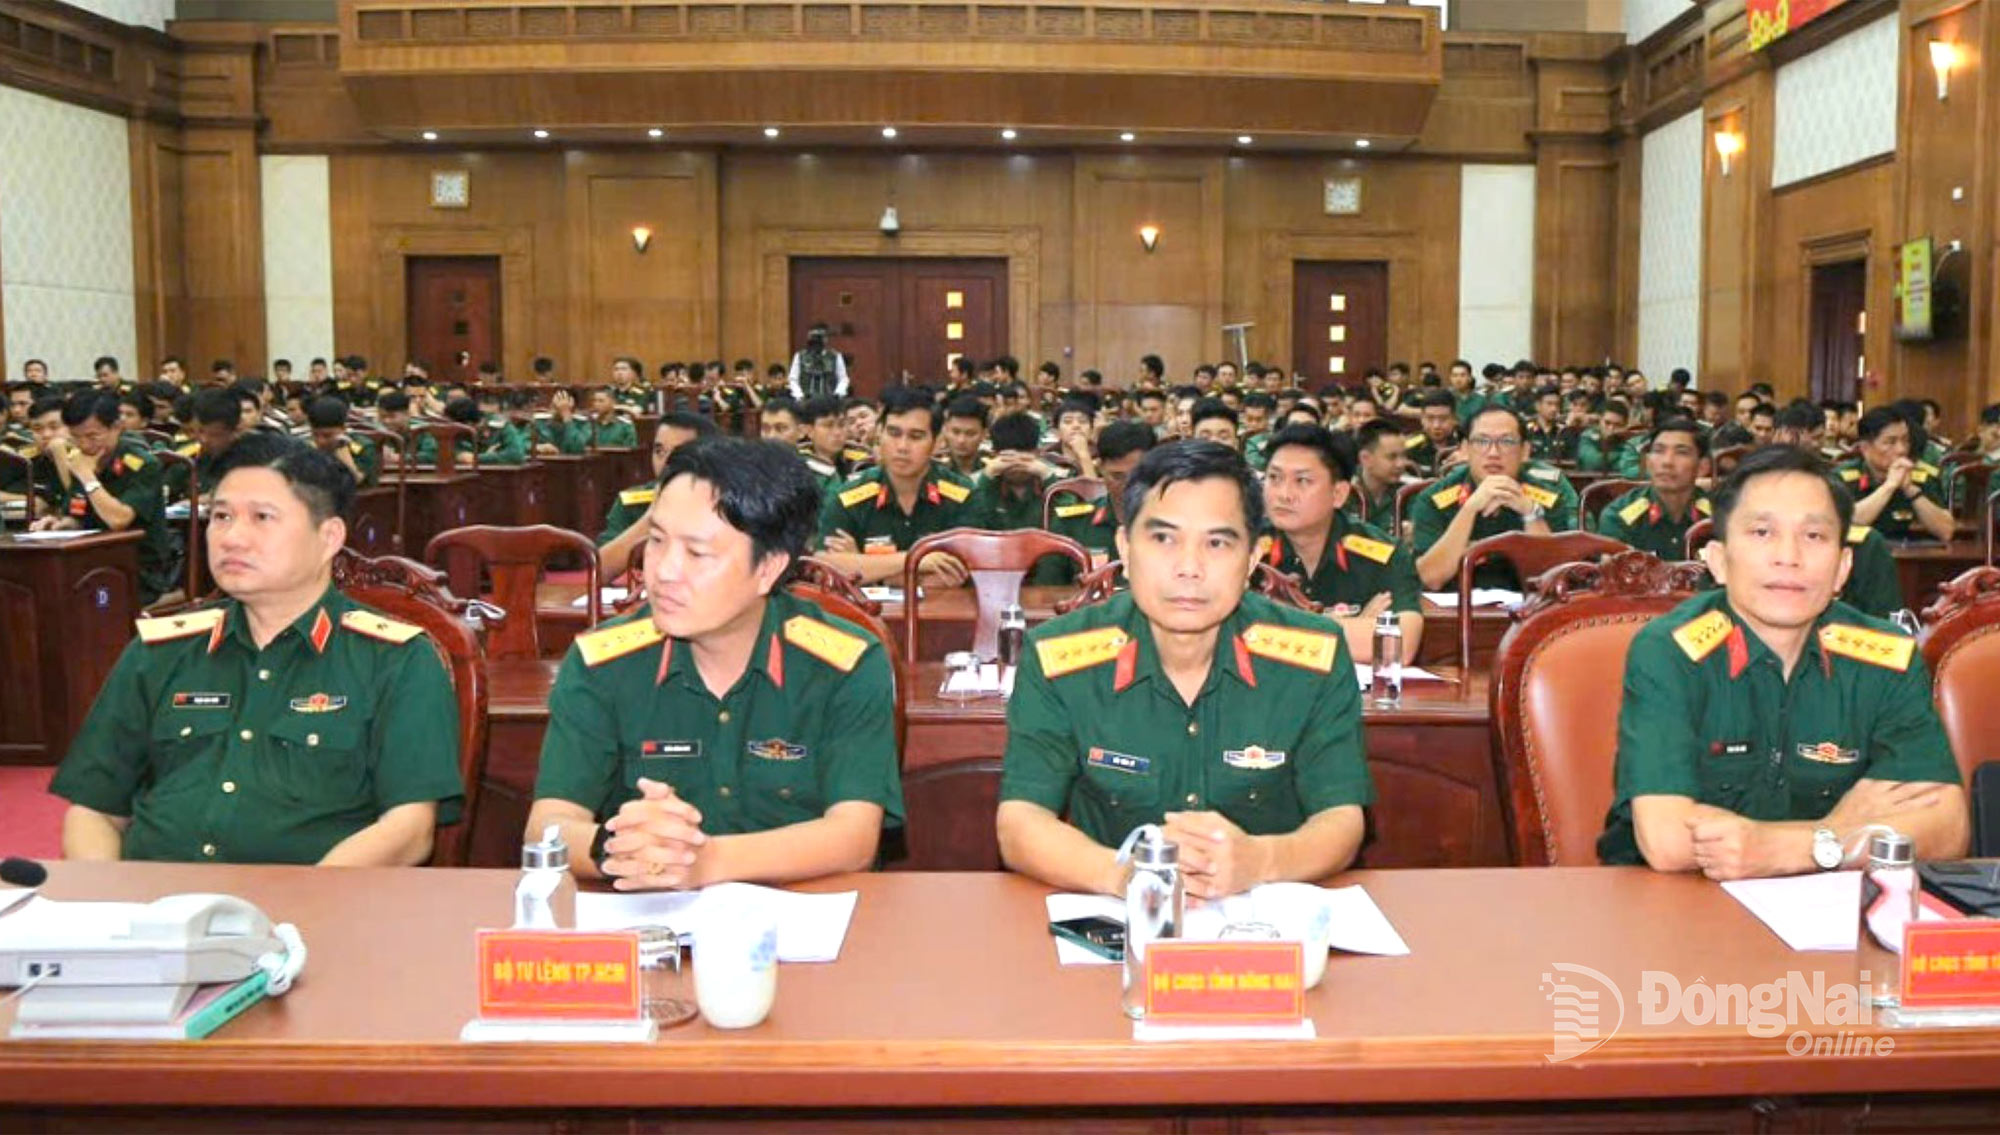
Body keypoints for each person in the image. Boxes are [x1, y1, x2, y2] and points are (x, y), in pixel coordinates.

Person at [50, 432, 465, 865]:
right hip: (155, 900)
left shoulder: (395, 658)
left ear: (328, 537)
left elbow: (409, 829)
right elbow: (94, 810)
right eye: (221, 516)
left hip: (316, 900)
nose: (232, 538)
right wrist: (108, 900)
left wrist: (302, 902)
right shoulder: (159, 651)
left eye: (262, 517)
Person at [995, 441, 1371, 899]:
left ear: (1253, 558)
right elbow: (1020, 821)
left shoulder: (1314, 657)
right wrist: (1127, 876)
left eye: (1217, 543)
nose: (1189, 568)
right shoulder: (1058, 657)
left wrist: (1261, 861)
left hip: (1263, 922)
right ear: (1124, 548)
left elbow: (1341, 819)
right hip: (1118, 920)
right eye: (1163, 539)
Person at [528, 437, 901, 889]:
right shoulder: (602, 662)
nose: (664, 571)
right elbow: (548, 825)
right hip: (645, 912)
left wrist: (705, 861)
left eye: (697, 553)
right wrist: (620, 848)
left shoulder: (845, 663)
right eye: (657, 541)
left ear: (769, 569)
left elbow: (854, 836)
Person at [1597, 446, 1967, 877]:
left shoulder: (1887, 656)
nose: (1788, 556)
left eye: (1814, 536)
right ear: (1718, 560)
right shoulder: (1671, 650)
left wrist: (1797, 847)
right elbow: (1667, 842)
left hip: (1833, 906)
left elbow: (1948, 829)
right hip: (1680, 898)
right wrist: (1845, 829)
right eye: (1762, 532)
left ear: (1843, 567)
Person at [1262, 425, 1423, 662]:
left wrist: (1272, 628)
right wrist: (1350, 626)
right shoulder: (1245, 549)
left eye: (1302, 481)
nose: (1284, 494)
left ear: (1338, 494)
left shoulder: (1383, 554)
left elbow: (1399, 645)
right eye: (1274, 478)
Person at [816, 386, 973, 586]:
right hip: (864, 608)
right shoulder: (848, 498)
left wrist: (864, 567)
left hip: (941, 607)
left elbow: (958, 576)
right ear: (879, 434)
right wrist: (916, 561)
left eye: (915, 436)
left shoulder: (963, 496)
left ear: (937, 443)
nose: (902, 447)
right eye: (893, 433)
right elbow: (824, 571)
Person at [1410, 405, 1579, 590]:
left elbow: (1553, 580)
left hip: (1526, 604)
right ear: (1465, 449)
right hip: (1454, 604)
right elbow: (1431, 578)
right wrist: (1469, 509)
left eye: (1506, 441)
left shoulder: (1548, 499)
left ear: (1525, 451)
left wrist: (1531, 514)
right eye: (1482, 441)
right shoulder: (1433, 499)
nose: (1493, 453)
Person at [31, 392, 175, 604]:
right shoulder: (82, 459)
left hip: (137, 568)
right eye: (76, 437)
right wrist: (60, 524)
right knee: (43, 587)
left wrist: (88, 477)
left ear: (116, 427)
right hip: (91, 560)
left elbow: (119, 520)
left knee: (84, 600)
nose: (84, 445)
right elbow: (78, 514)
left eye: (92, 436)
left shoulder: (141, 463)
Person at [598, 412, 720, 577]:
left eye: (678, 454)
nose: (665, 462)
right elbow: (598, 572)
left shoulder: (727, 502)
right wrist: (651, 518)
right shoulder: (632, 502)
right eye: (659, 451)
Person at [1040, 420, 1156, 583]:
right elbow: (1048, 588)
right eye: (1117, 477)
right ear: (1100, 468)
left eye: (1138, 476)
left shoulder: (1177, 524)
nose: (1128, 486)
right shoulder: (1072, 524)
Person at [1594, 419, 1711, 559]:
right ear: (1648, 463)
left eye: (1681, 452)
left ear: (1702, 467)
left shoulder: (1720, 516)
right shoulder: (1619, 517)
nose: (1667, 462)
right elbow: (1613, 571)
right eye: (1659, 451)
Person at [1836, 407, 1952, 543]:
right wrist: (1889, 486)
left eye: (1905, 440)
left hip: (1910, 552)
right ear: (1865, 448)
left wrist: (1911, 490)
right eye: (1890, 442)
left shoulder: (1922, 477)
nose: (1901, 450)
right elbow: (1845, 524)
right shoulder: (1844, 477)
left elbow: (1946, 531)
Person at [965, 412, 1062, 531]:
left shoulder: (1053, 479)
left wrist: (1048, 476)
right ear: (995, 455)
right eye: (1008, 458)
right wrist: (987, 476)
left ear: (1037, 453)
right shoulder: (978, 482)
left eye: (1023, 458)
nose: (1017, 465)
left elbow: (1070, 523)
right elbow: (969, 522)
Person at [1343, 418, 1407, 527]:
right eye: (1392, 457)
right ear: (1365, 458)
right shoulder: (1343, 494)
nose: (1401, 464)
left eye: (1404, 456)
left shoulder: (1408, 494)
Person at [306, 396, 380, 489]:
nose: (320, 441)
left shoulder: (363, 447)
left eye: (327, 436)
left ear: (343, 429)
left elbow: (356, 480)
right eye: (315, 435)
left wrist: (343, 453)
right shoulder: (306, 446)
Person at [1404, 389, 1460, 477]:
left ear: (1454, 419)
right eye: (1430, 418)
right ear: (1422, 419)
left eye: (1443, 419)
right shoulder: (1409, 447)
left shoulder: (1464, 446)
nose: (1436, 425)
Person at [787, 324, 850, 400]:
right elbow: (793, 379)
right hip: (805, 399)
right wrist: (799, 395)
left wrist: (837, 394)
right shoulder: (800, 356)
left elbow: (843, 378)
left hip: (829, 399)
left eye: (820, 339)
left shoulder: (835, 356)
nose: (817, 344)